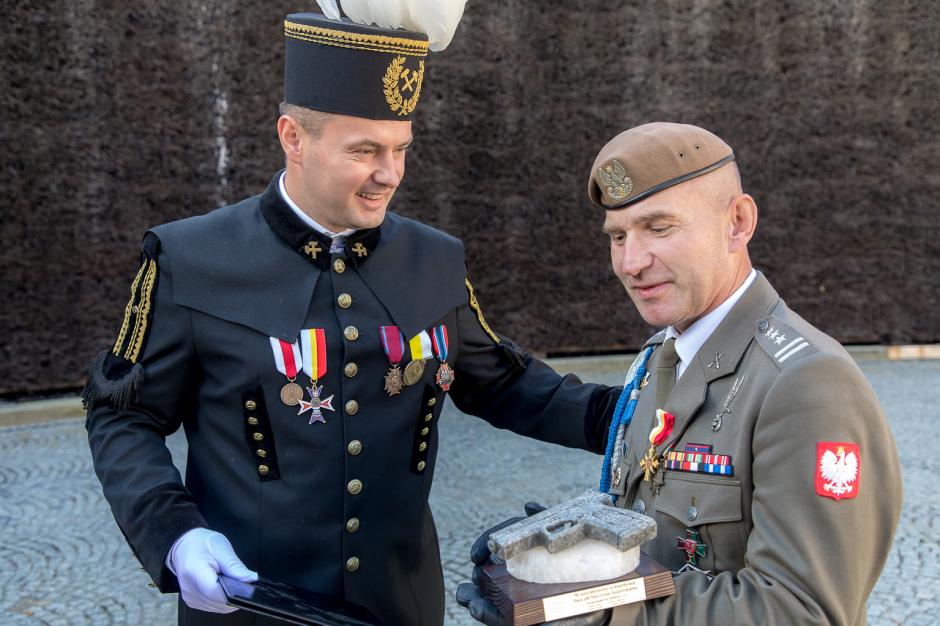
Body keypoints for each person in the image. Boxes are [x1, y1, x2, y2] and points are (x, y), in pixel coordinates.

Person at [82, 10, 621, 626]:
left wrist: (645, 416)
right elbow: (123, 415)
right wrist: (175, 535)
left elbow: (504, 384)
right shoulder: (190, 259)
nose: (388, 174)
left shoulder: (434, 259)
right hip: (250, 609)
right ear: (293, 137)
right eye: (364, 150)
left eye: (400, 149)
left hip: (399, 606)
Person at [457, 122, 902, 626]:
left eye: (659, 228)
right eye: (618, 236)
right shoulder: (660, 358)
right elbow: (656, 527)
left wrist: (595, 608)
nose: (631, 262)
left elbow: (801, 610)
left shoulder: (806, 383)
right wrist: (572, 555)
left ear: (737, 222)